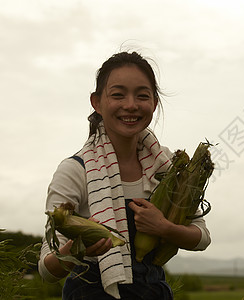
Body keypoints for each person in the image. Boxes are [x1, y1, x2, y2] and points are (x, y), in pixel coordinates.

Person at [38, 51, 211, 300]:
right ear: (96, 102)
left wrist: (163, 227)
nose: (131, 105)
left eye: (142, 95)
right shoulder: (76, 170)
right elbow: (46, 269)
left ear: (154, 102)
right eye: (118, 94)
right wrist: (77, 249)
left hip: (153, 292)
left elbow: (202, 237)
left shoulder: (168, 165)